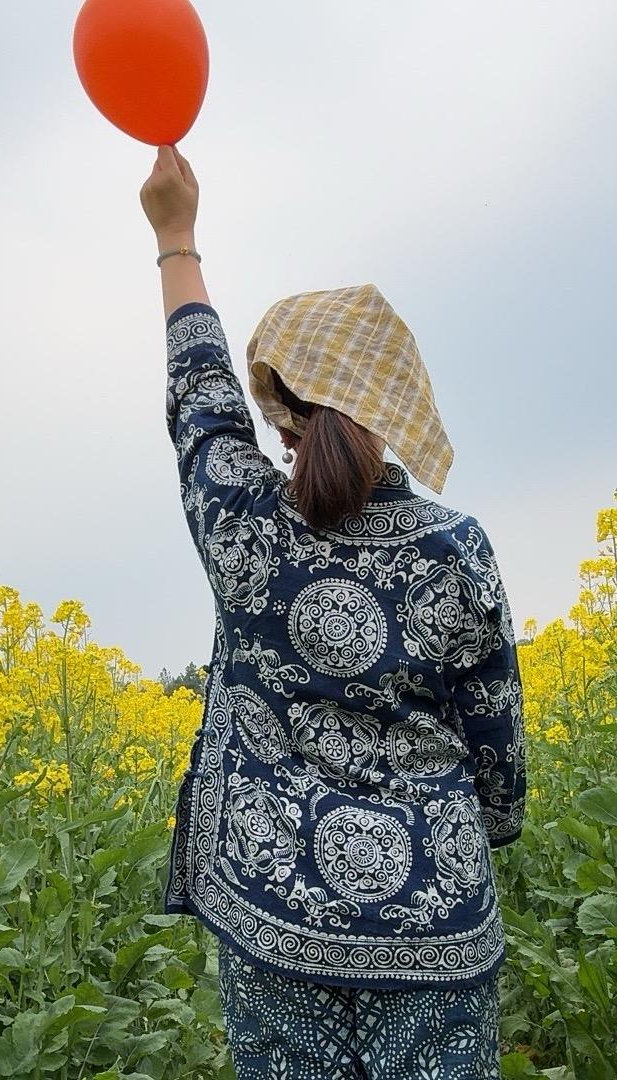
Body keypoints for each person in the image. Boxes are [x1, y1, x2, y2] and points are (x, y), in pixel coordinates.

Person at [140, 144, 526, 1080]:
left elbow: (201, 403)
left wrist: (175, 236)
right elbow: (498, 758)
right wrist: (466, 836)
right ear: (392, 405)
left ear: (282, 417)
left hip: (275, 929)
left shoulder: (248, 530)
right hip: (439, 934)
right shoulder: (456, 549)